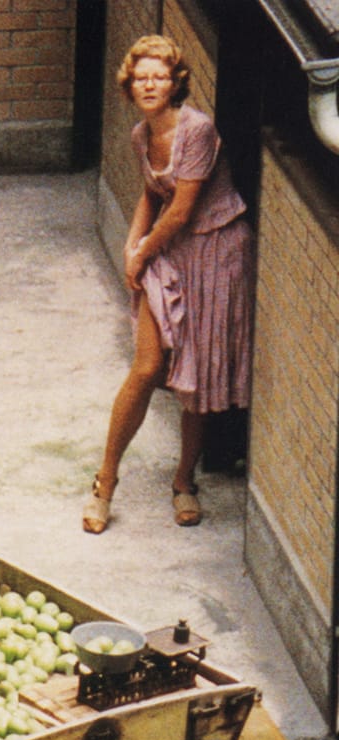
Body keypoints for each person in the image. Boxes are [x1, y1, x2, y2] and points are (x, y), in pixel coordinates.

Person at [82, 34, 254, 534]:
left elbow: (181, 209)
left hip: (216, 252)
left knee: (193, 379)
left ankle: (184, 482)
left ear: (176, 83)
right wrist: (130, 248)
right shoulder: (142, 135)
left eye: (159, 76)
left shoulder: (197, 130)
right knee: (147, 366)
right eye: (141, 78)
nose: (150, 85)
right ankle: (104, 483)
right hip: (169, 250)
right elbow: (152, 195)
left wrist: (143, 252)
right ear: (129, 86)